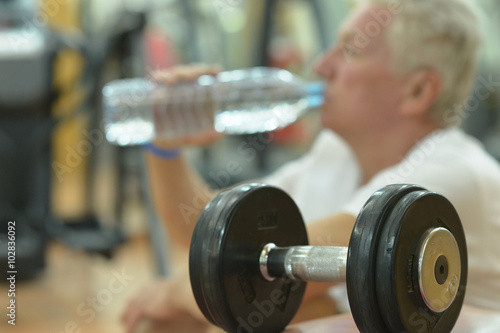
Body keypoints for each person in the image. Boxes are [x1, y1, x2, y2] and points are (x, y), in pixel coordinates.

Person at [121, 0, 500, 332]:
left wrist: (175, 292)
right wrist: (164, 146)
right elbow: (211, 237)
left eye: (350, 50)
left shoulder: (450, 177)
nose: (321, 65)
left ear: (417, 91)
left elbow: (244, 270)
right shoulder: (335, 154)